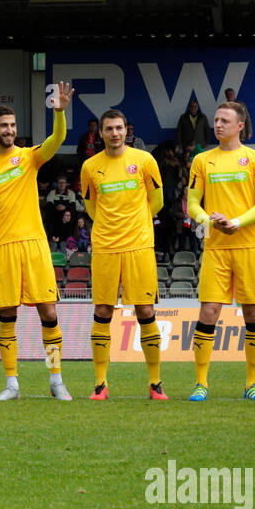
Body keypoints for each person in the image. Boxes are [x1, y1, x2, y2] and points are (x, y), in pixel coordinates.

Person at [0, 82, 73, 401]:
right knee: (7, 315)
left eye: (13, 125)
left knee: (49, 314)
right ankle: (11, 383)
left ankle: (56, 379)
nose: (10, 130)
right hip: (1, 248)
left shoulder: (29, 158)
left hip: (34, 245)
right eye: (4, 126)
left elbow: (57, 140)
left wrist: (59, 113)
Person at [186, 100, 255, 402]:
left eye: (225, 120)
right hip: (216, 247)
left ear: (240, 126)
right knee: (209, 311)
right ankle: (200, 384)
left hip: (249, 246)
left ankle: (252, 385)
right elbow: (193, 202)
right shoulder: (202, 161)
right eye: (216, 120)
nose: (218, 124)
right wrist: (206, 219)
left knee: (253, 313)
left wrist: (235, 222)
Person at [80, 108, 165, 401]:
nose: (115, 134)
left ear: (126, 131)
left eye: (119, 128)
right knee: (103, 311)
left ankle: (155, 384)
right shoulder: (90, 166)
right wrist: (107, 224)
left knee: (145, 311)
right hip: (105, 248)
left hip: (139, 247)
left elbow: (158, 201)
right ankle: (100, 384)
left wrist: (136, 224)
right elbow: (91, 205)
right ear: (100, 133)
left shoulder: (144, 161)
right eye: (109, 129)